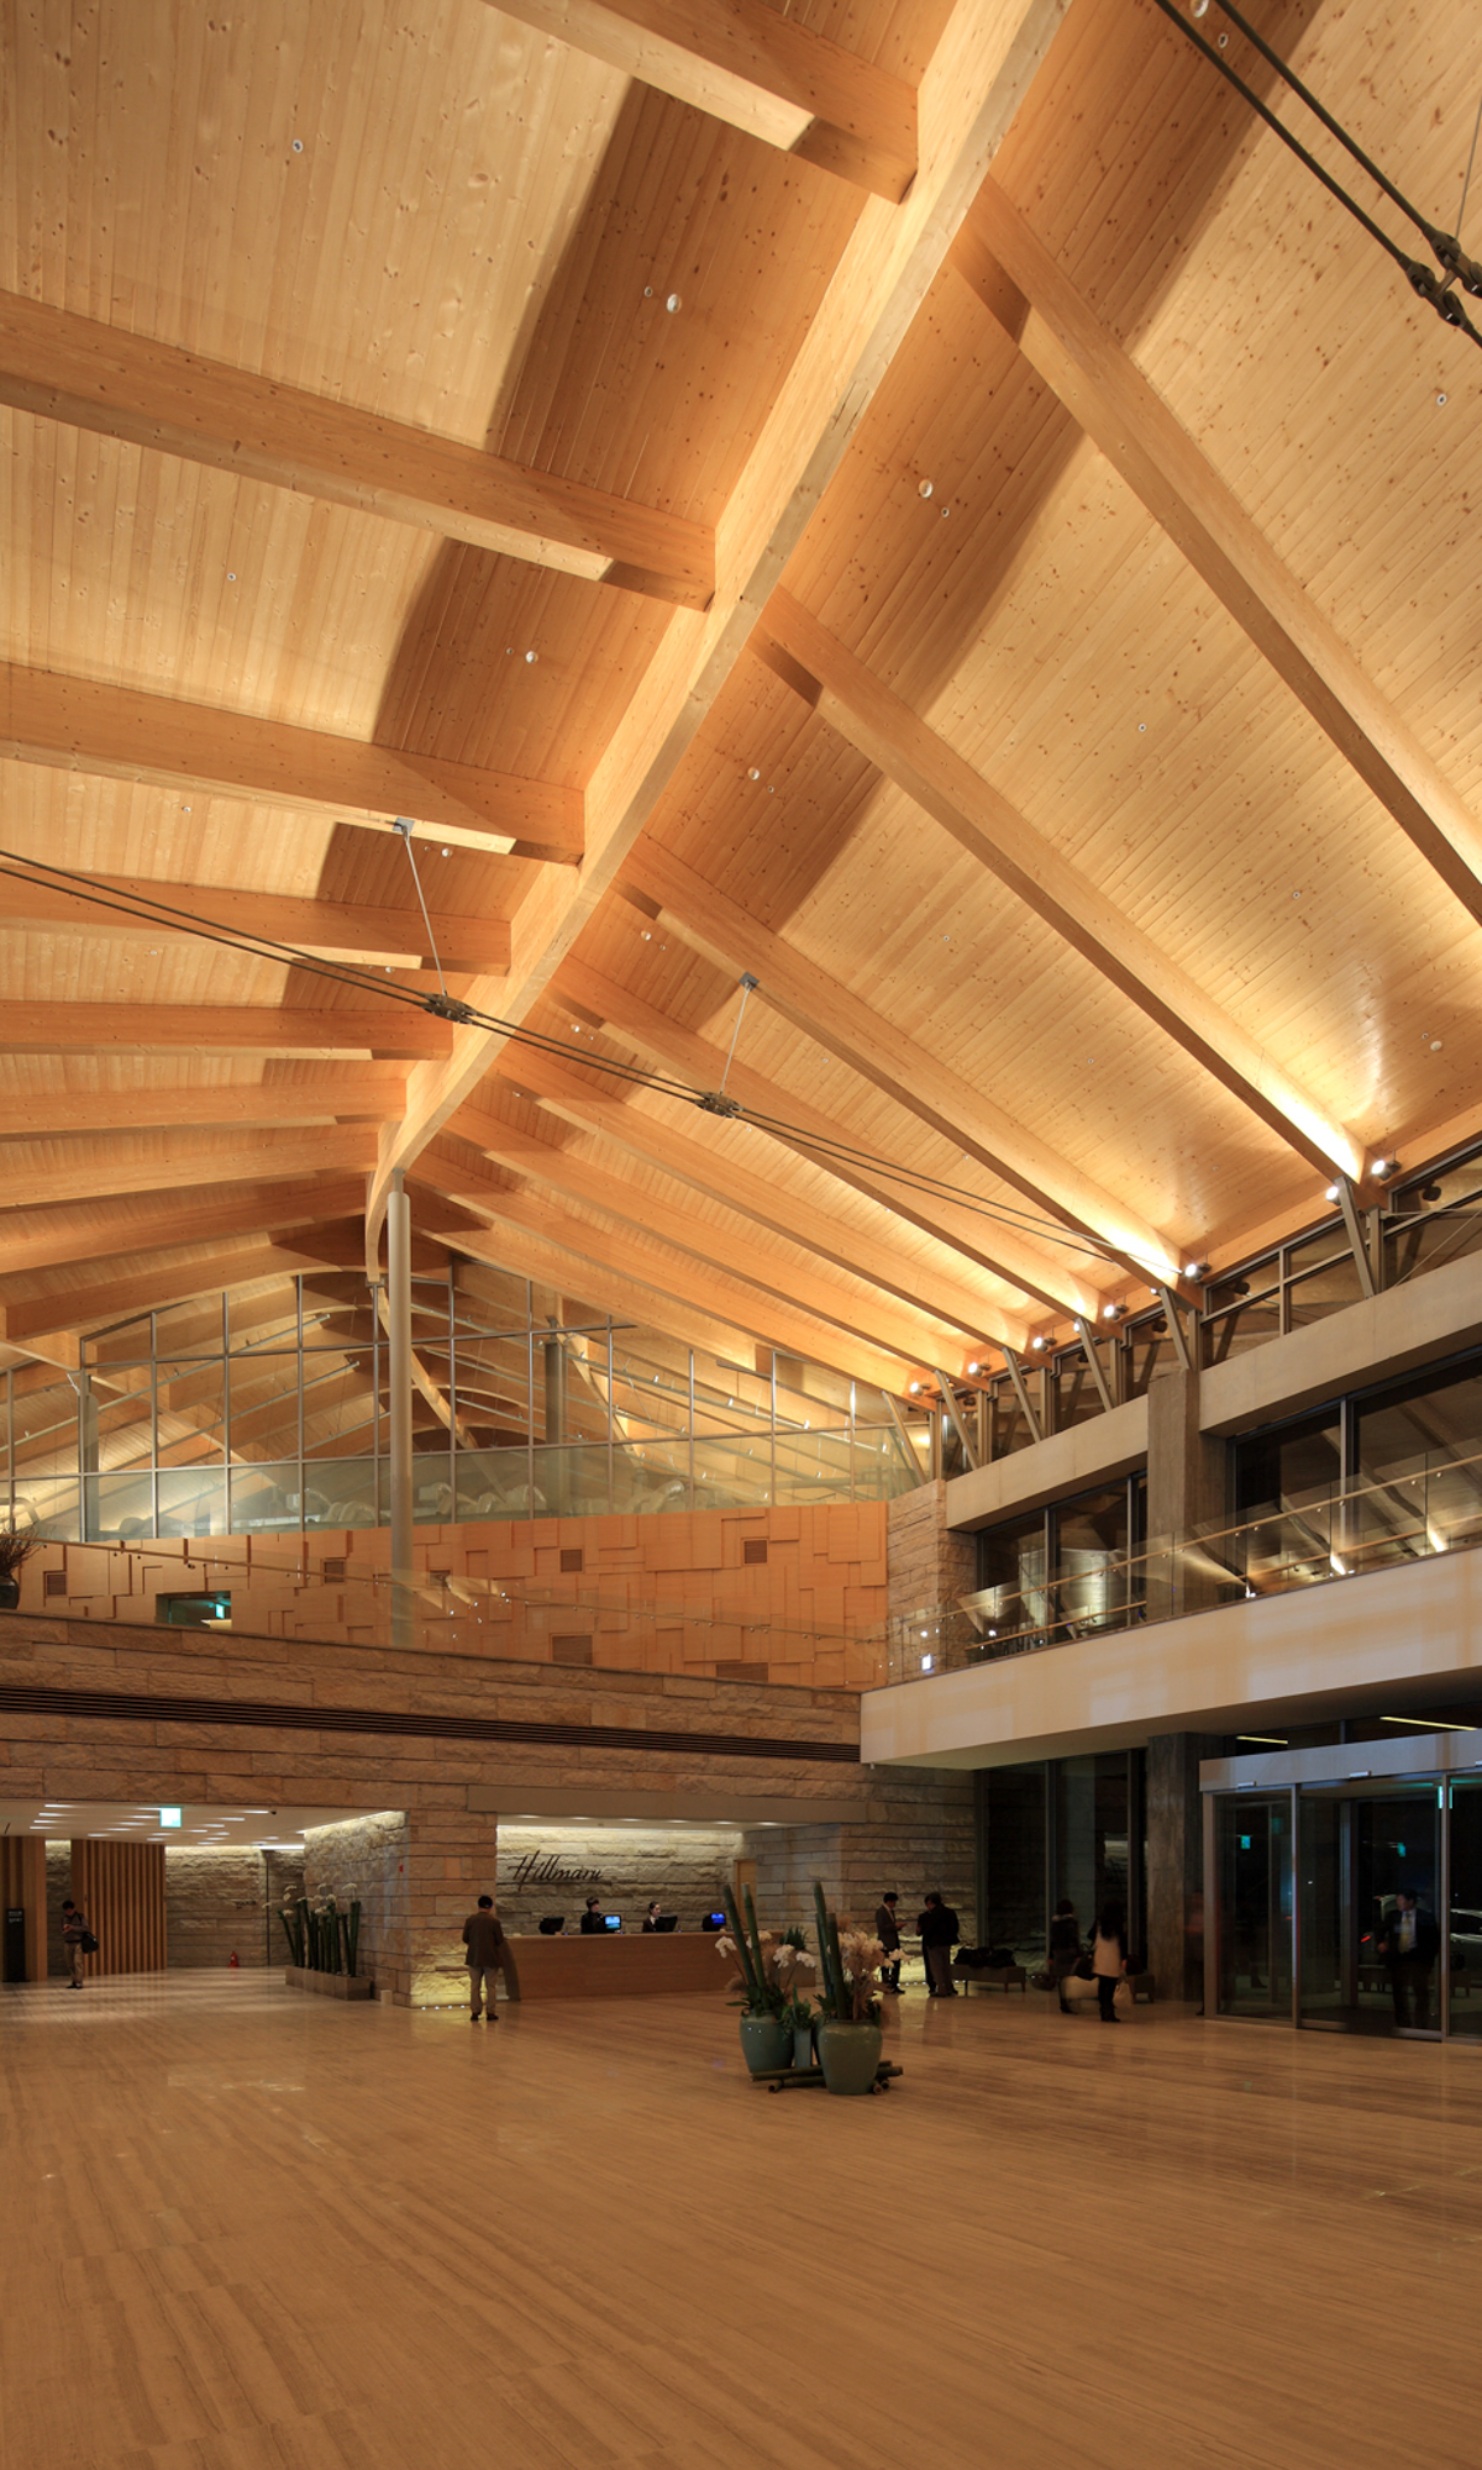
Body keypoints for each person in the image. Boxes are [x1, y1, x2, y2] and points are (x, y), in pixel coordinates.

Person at [1380, 1888, 1440, 2029]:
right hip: (1398, 1958)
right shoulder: (1393, 1916)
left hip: (1417, 1958)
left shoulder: (1425, 1917)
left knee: (1421, 1991)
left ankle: (1421, 2022)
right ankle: (1402, 2023)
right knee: (1399, 1992)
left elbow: (1434, 1939)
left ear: (1411, 1901)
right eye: (1398, 1900)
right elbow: (1380, 1929)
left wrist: (1429, 1960)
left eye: (1401, 1900)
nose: (1398, 1903)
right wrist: (1381, 1942)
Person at [461, 1894, 506, 2023]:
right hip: (491, 1958)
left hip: (474, 1957)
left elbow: (465, 1938)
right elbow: (499, 1939)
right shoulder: (494, 1921)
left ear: (478, 1906)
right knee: (490, 1986)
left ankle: (475, 2012)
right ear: (490, 1907)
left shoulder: (470, 1920)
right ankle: (491, 2012)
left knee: (475, 1986)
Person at [916, 1892, 960, 1997]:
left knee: (937, 1968)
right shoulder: (950, 1912)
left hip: (933, 1944)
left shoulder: (930, 1915)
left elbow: (925, 1930)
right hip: (946, 1943)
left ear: (930, 1902)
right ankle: (949, 1987)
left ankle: (941, 1989)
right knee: (946, 1966)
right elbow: (955, 1927)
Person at [1092, 1901, 1128, 2023]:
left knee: (1102, 1984)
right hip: (1113, 1957)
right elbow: (1123, 1942)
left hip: (1100, 1956)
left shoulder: (1099, 1922)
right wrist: (1124, 1958)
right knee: (1111, 1985)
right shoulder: (1118, 1924)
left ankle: (1103, 2011)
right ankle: (1109, 2012)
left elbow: (1090, 1935)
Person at [1048, 1898, 1081, 2013]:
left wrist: (1050, 1956)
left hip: (1058, 1952)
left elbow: (1052, 1941)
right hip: (1069, 1952)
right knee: (1070, 1978)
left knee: (1061, 1980)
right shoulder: (1071, 1922)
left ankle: (1063, 2002)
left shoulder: (1055, 1923)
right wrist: (1078, 1953)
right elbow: (1074, 1939)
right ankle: (1070, 2002)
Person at [875, 1892, 902, 1993]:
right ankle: (886, 1986)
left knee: (896, 1964)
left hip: (893, 1942)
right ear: (889, 1901)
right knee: (886, 1965)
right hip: (886, 1942)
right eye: (894, 1902)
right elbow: (881, 1927)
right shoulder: (881, 1912)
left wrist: (896, 1927)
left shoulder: (891, 1912)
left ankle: (894, 1985)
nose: (894, 1904)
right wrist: (895, 1926)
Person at [61, 1897, 90, 1989]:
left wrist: (73, 1928)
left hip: (78, 1942)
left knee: (77, 1962)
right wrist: (64, 1931)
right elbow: (61, 1930)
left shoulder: (80, 1917)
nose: (68, 1912)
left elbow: (85, 1928)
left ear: (73, 1909)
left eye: (70, 1910)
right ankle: (73, 1980)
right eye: (66, 1911)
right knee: (69, 1963)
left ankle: (79, 1981)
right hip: (67, 1942)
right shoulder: (63, 1918)